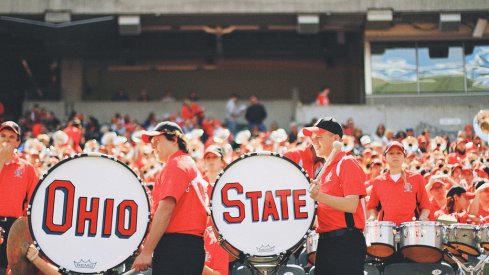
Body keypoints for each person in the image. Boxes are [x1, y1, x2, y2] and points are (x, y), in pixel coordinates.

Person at [132, 121, 207, 274]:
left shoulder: (176, 165)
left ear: (174, 139)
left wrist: (147, 252)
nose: (153, 147)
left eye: (157, 141)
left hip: (176, 245)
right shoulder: (187, 163)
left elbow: (166, 209)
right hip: (188, 245)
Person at [302, 117, 367, 275]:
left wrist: (319, 197)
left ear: (336, 138)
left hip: (346, 241)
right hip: (327, 241)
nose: (314, 141)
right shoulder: (323, 170)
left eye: (319, 137)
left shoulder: (346, 163)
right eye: (313, 138)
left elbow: (351, 205)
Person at [0, 121, 38, 272]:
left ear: (18, 142)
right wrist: (2, 159)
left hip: (13, 226)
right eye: (2, 136)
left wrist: (24, 227)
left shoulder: (26, 168)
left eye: (11, 137)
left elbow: (34, 199)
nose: (6, 140)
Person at [367, 141, 431, 225]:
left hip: (411, 230)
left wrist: (423, 217)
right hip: (387, 231)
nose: (395, 156)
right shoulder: (378, 181)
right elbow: (373, 207)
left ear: (404, 157)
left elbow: (425, 206)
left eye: (399, 153)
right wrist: (372, 217)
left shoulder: (416, 178)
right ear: (384, 157)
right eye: (391, 153)